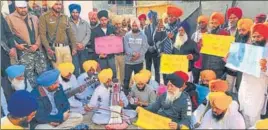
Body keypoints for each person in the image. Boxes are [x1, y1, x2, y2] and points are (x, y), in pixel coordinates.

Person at [6, 1, 47, 87]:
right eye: (20, 8)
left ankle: (45, 96)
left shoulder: (34, 17)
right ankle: (35, 97)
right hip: (24, 53)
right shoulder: (9, 18)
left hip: (37, 51)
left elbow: (41, 33)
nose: (23, 10)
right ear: (16, 8)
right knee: (29, 78)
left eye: (25, 7)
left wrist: (36, 45)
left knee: (43, 74)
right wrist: (16, 45)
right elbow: (8, 35)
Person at [238, 23, 268, 128]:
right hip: (244, 87)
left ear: (265, 37)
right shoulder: (249, 48)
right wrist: (230, 60)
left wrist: (265, 68)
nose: (255, 39)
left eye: (259, 36)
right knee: (244, 114)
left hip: (257, 90)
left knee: (254, 118)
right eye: (254, 36)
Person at [39, 1, 77, 68]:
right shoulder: (44, 17)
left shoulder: (65, 17)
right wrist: (48, 49)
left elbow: (70, 33)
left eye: (60, 4)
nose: (59, 6)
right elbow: (42, 35)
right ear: (51, 5)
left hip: (66, 47)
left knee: (68, 70)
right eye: (56, 4)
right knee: (58, 71)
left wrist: (74, 47)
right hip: (54, 49)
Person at [225, 18, 254, 93]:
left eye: (243, 30)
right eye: (239, 30)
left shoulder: (254, 44)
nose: (241, 32)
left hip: (245, 74)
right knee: (228, 90)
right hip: (232, 70)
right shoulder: (238, 38)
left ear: (250, 30)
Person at [123, 18, 149, 95]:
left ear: (138, 26)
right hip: (129, 62)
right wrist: (134, 54)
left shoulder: (143, 35)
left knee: (139, 80)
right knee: (127, 79)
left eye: (136, 25)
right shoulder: (127, 35)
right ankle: (125, 94)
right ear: (131, 26)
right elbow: (126, 47)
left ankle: (138, 94)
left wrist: (138, 55)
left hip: (139, 62)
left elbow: (145, 47)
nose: (134, 27)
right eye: (133, 25)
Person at [202, 12, 229, 79]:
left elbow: (227, 50)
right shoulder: (206, 34)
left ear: (220, 23)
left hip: (218, 66)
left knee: (215, 85)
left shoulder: (225, 34)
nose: (213, 25)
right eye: (212, 23)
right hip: (206, 64)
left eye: (215, 23)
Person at [90, 10, 117, 78]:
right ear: (99, 20)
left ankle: (113, 87)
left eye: (105, 19)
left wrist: (114, 39)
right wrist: (99, 55)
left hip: (111, 57)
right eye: (101, 20)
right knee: (103, 76)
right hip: (101, 58)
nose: (103, 22)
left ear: (108, 19)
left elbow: (117, 43)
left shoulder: (112, 28)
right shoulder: (94, 31)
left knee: (113, 74)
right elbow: (93, 46)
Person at [161, 6, 183, 84]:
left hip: (176, 58)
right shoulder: (164, 27)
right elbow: (160, 41)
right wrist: (161, 51)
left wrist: (173, 38)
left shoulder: (181, 28)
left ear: (177, 17)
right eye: (169, 16)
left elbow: (183, 45)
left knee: (175, 80)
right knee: (166, 80)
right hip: (165, 57)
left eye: (172, 16)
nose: (170, 18)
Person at [69, 4, 91, 77]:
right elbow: (66, 35)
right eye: (73, 12)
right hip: (73, 50)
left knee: (84, 68)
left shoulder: (85, 23)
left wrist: (83, 44)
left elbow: (88, 34)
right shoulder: (67, 23)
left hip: (83, 49)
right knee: (75, 69)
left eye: (77, 12)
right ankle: (76, 85)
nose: (75, 14)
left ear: (79, 12)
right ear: (70, 12)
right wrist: (75, 45)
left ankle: (84, 84)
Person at [225, 7, 243, 93]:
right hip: (228, 65)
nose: (232, 20)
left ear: (239, 18)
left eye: (234, 18)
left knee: (238, 89)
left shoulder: (243, 32)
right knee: (228, 87)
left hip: (240, 65)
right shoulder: (225, 31)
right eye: (230, 18)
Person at [1, 11, 16, 101]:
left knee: (8, 81)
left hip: (4, 54)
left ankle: (14, 107)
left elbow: (8, 33)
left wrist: (12, 47)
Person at [191, 15, 209, 84]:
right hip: (196, 63)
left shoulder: (210, 35)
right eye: (199, 22)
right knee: (195, 81)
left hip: (206, 63)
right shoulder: (194, 35)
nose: (201, 24)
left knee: (205, 81)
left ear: (206, 23)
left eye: (203, 22)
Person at [144, 10, 161, 83]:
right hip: (148, 52)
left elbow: (161, 38)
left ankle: (157, 84)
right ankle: (148, 83)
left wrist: (154, 47)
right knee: (148, 69)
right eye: (150, 18)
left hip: (156, 52)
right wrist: (148, 47)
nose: (151, 19)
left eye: (153, 17)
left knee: (157, 69)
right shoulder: (146, 27)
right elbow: (144, 39)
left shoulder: (159, 26)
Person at [112, 15, 127, 86]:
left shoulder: (125, 32)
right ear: (114, 24)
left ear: (121, 23)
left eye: (119, 23)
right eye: (116, 24)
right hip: (114, 55)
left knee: (123, 73)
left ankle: (123, 87)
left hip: (123, 55)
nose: (118, 25)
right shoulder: (112, 32)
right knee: (114, 72)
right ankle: (114, 86)